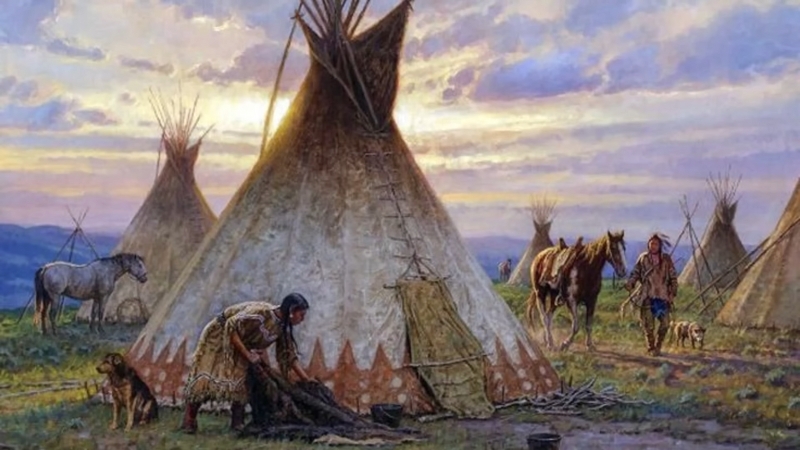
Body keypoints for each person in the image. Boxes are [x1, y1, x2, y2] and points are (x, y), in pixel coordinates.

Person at [180, 293, 312, 434]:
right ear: (292, 311)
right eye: (301, 315)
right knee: (207, 378)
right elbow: (231, 327)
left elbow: (288, 356)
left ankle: (237, 423)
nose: (302, 319)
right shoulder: (260, 313)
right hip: (219, 336)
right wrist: (248, 354)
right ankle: (189, 420)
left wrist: (307, 380)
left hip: (242, 343)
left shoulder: (282, 326)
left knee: (242, 382)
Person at [624, 233, 678, 356]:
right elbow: (636, 273)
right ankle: (651, 348)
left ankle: (658, 346)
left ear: (660, 246)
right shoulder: (643, 258)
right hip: (647, 295)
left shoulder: (666, 259)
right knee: (648, 326)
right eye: (651, 243)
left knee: (665, 323)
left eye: (656, 244)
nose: (653, 246)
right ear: (648, 244)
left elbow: (673, 277)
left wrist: (672, 293)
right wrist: (630, 284)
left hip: (663, 296)